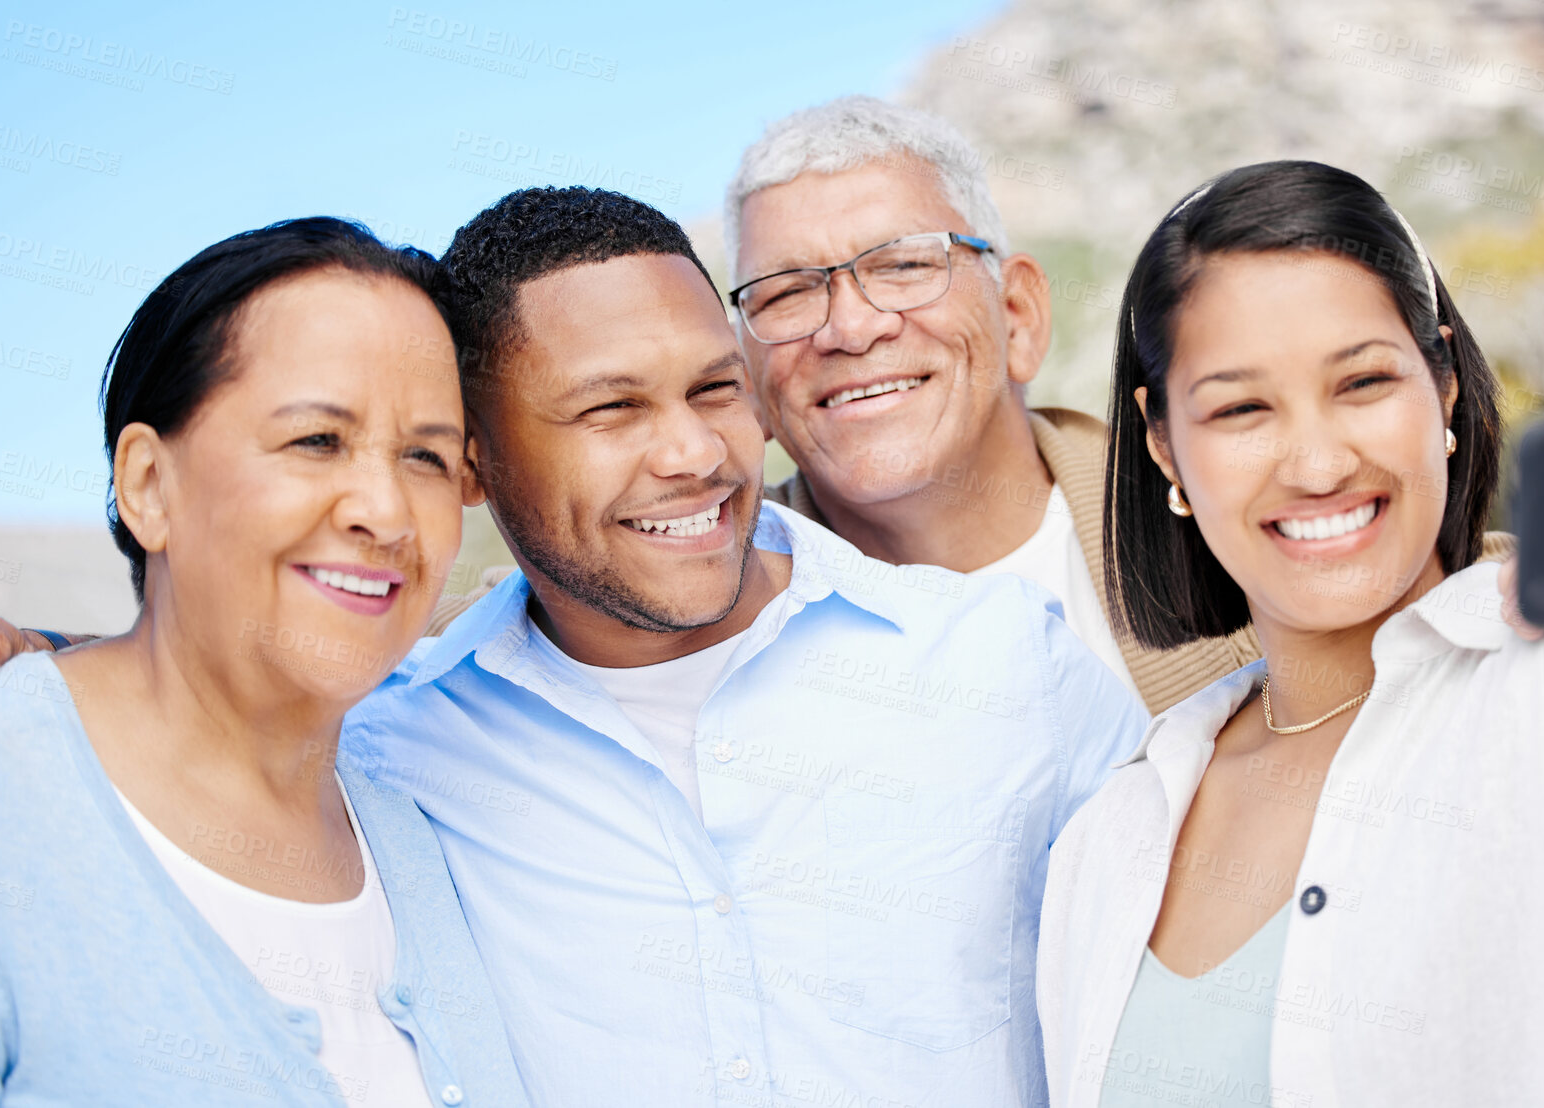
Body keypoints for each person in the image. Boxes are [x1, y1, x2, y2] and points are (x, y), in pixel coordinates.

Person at [333, 187, 1147, 1106]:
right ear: (473, 460)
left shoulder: (1004, 666)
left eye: (715, 389)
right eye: (611, 410)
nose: (692, 453)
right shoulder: (388, 756)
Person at [1035, 161, 1544, 1108]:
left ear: (1442, 389)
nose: (1317, 462)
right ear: (1162, 447)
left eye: (1362, 381)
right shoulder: (1110, 838)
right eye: (1240, 408)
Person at [0, 219, 527, 1106]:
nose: (387, 511)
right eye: (317, 440)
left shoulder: (429, 813)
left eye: (425, 456)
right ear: (149, 487)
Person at [720, 95, 1254, 711]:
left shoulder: (1242, 540)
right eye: (785, 293)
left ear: (1018, 317)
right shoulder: (698, 628)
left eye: (903, 263)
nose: (850, 328)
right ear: (746, 380)